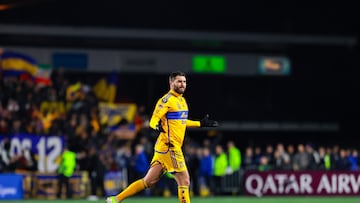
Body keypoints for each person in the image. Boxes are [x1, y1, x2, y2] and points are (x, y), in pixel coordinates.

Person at [106, 71, 218, 203]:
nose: (182, 84)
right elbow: (154, 119)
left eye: (184, 81)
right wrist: (156, 126)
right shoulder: (167, 100)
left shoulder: (181, 100)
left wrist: (200, 123)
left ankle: (115, 199)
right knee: (184, 180)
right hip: (170, 147)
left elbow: (181, 122)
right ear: (171, 83)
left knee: (148, 181)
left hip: (164, 148)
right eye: (179, 81)